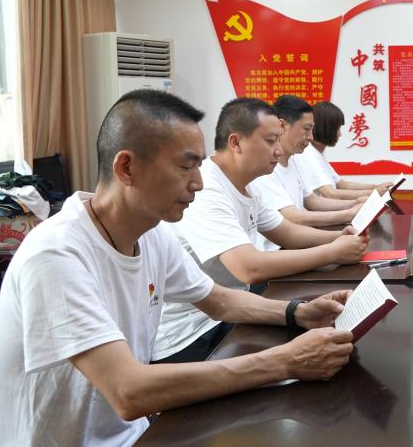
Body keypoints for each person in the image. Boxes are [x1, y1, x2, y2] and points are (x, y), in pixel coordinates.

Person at [0, 90, 355, 446]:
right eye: (185, 167)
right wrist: (286, 361)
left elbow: (220, 301)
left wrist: (299, 313)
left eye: (199, 166)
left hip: (133, 435)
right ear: (126, 168)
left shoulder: (152, 234)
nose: (199, 183)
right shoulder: (56, 253)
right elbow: (128, 391)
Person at [153, 97, 367, 364]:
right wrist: (333, 252)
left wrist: (338, 238)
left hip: (232, 308)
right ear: (236, 143)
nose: (278, 150)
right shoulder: (208, 188)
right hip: (192, 334)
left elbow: (286, 232)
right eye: (270, 141)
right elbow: (248, 268)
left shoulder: (249, 184)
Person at [252, 95, 363, 228]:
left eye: (311, 130)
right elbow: (293, 218)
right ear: (282, 126)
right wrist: (349, 214)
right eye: (306, 129)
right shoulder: (265, 168)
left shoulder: (293, 160)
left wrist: (355, 203)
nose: (310, 137)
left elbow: (312, 201)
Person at [296, 100, 394, 200]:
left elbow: (342, 184)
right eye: (337, 129)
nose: (339, 134)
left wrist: (375, 187)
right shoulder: (308, 154)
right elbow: (330, 193)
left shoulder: (317, 153)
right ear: (326, 128)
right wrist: (374, 192)